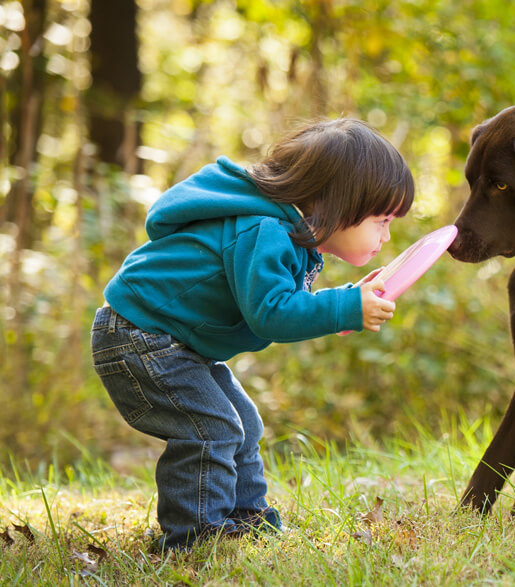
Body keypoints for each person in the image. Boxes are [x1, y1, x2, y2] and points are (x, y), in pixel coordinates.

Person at [90, 118, 414, 552]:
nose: (386, 236)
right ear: (337, 202)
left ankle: (246, 519)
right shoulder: (263, 229)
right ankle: (194, 539)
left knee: (242, 422)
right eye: (381, 220)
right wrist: (343, 310)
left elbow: (284, 300)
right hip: (139, 338)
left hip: (170, 341)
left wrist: (344, 304)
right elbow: (271, 313)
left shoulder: (283, 231)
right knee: (211, 428)